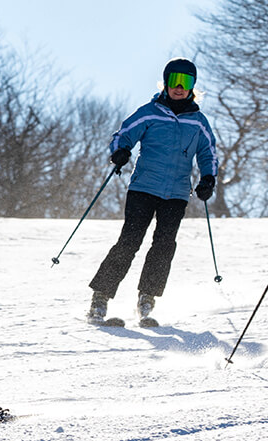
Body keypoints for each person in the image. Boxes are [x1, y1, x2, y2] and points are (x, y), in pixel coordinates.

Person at [87, 58, 218, 327]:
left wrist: (208, 178)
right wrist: (121, 151)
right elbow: (122, 135)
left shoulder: (199, 121)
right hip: (144, 188)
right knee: (130, 240)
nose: (179, 87)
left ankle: (147, 299)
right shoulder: (150, 112)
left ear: (193, 86)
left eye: (186, 82)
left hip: (177, 193)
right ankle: (100, 297)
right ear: (166, 83)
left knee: (164, 245)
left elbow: (208, 153)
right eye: (174, 81)